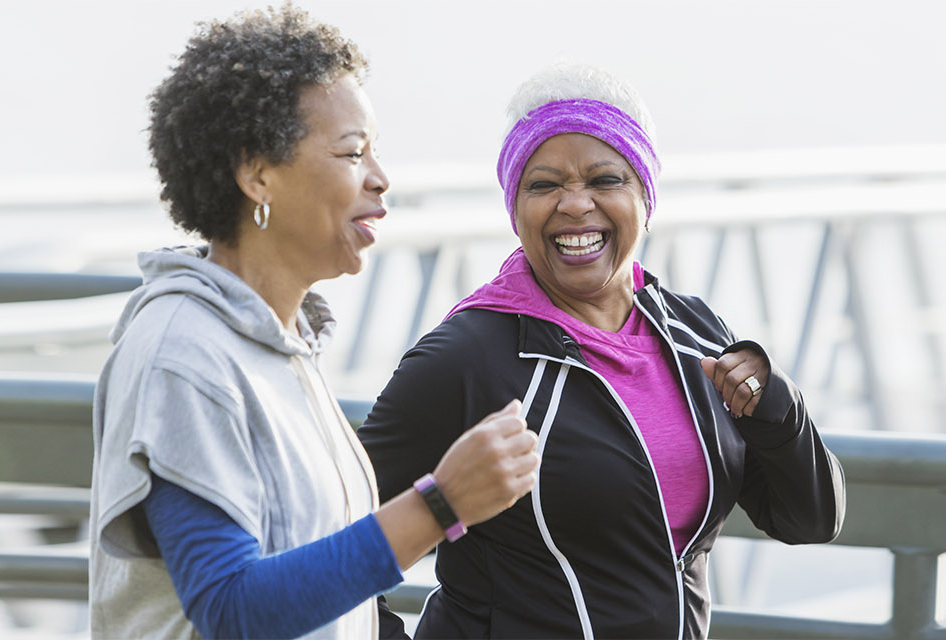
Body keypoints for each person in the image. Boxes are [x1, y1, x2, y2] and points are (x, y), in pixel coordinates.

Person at [88, 6, 538, 639]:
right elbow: (231, 608)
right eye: (353, 153)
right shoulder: (183, 356)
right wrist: (442, 503)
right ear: (258, 174)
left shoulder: (283, 343)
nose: (381, 181)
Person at [357, 63, 846, 639]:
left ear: (645, 196)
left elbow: (808, 518)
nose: (574, 204)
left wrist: (777, 409)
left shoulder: (693, 332)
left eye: (605, 180)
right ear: (516, 210)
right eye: (543, 185)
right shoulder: (465, 357)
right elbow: (327, 539)